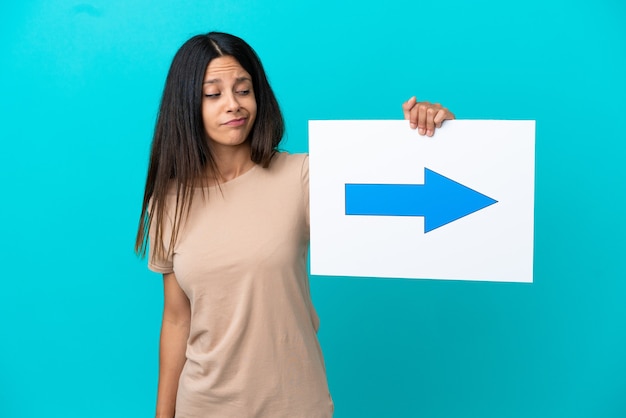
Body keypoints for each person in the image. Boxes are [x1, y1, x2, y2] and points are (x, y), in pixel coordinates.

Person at [135, 31, 454, 418]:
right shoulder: (169, 200)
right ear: (186, 104)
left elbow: (398, 200)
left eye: (243, 89)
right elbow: (176, 318)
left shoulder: (300, 176)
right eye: (212, 94)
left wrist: (435, 138)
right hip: (201, 406)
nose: (233, 105)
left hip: (295, 404)